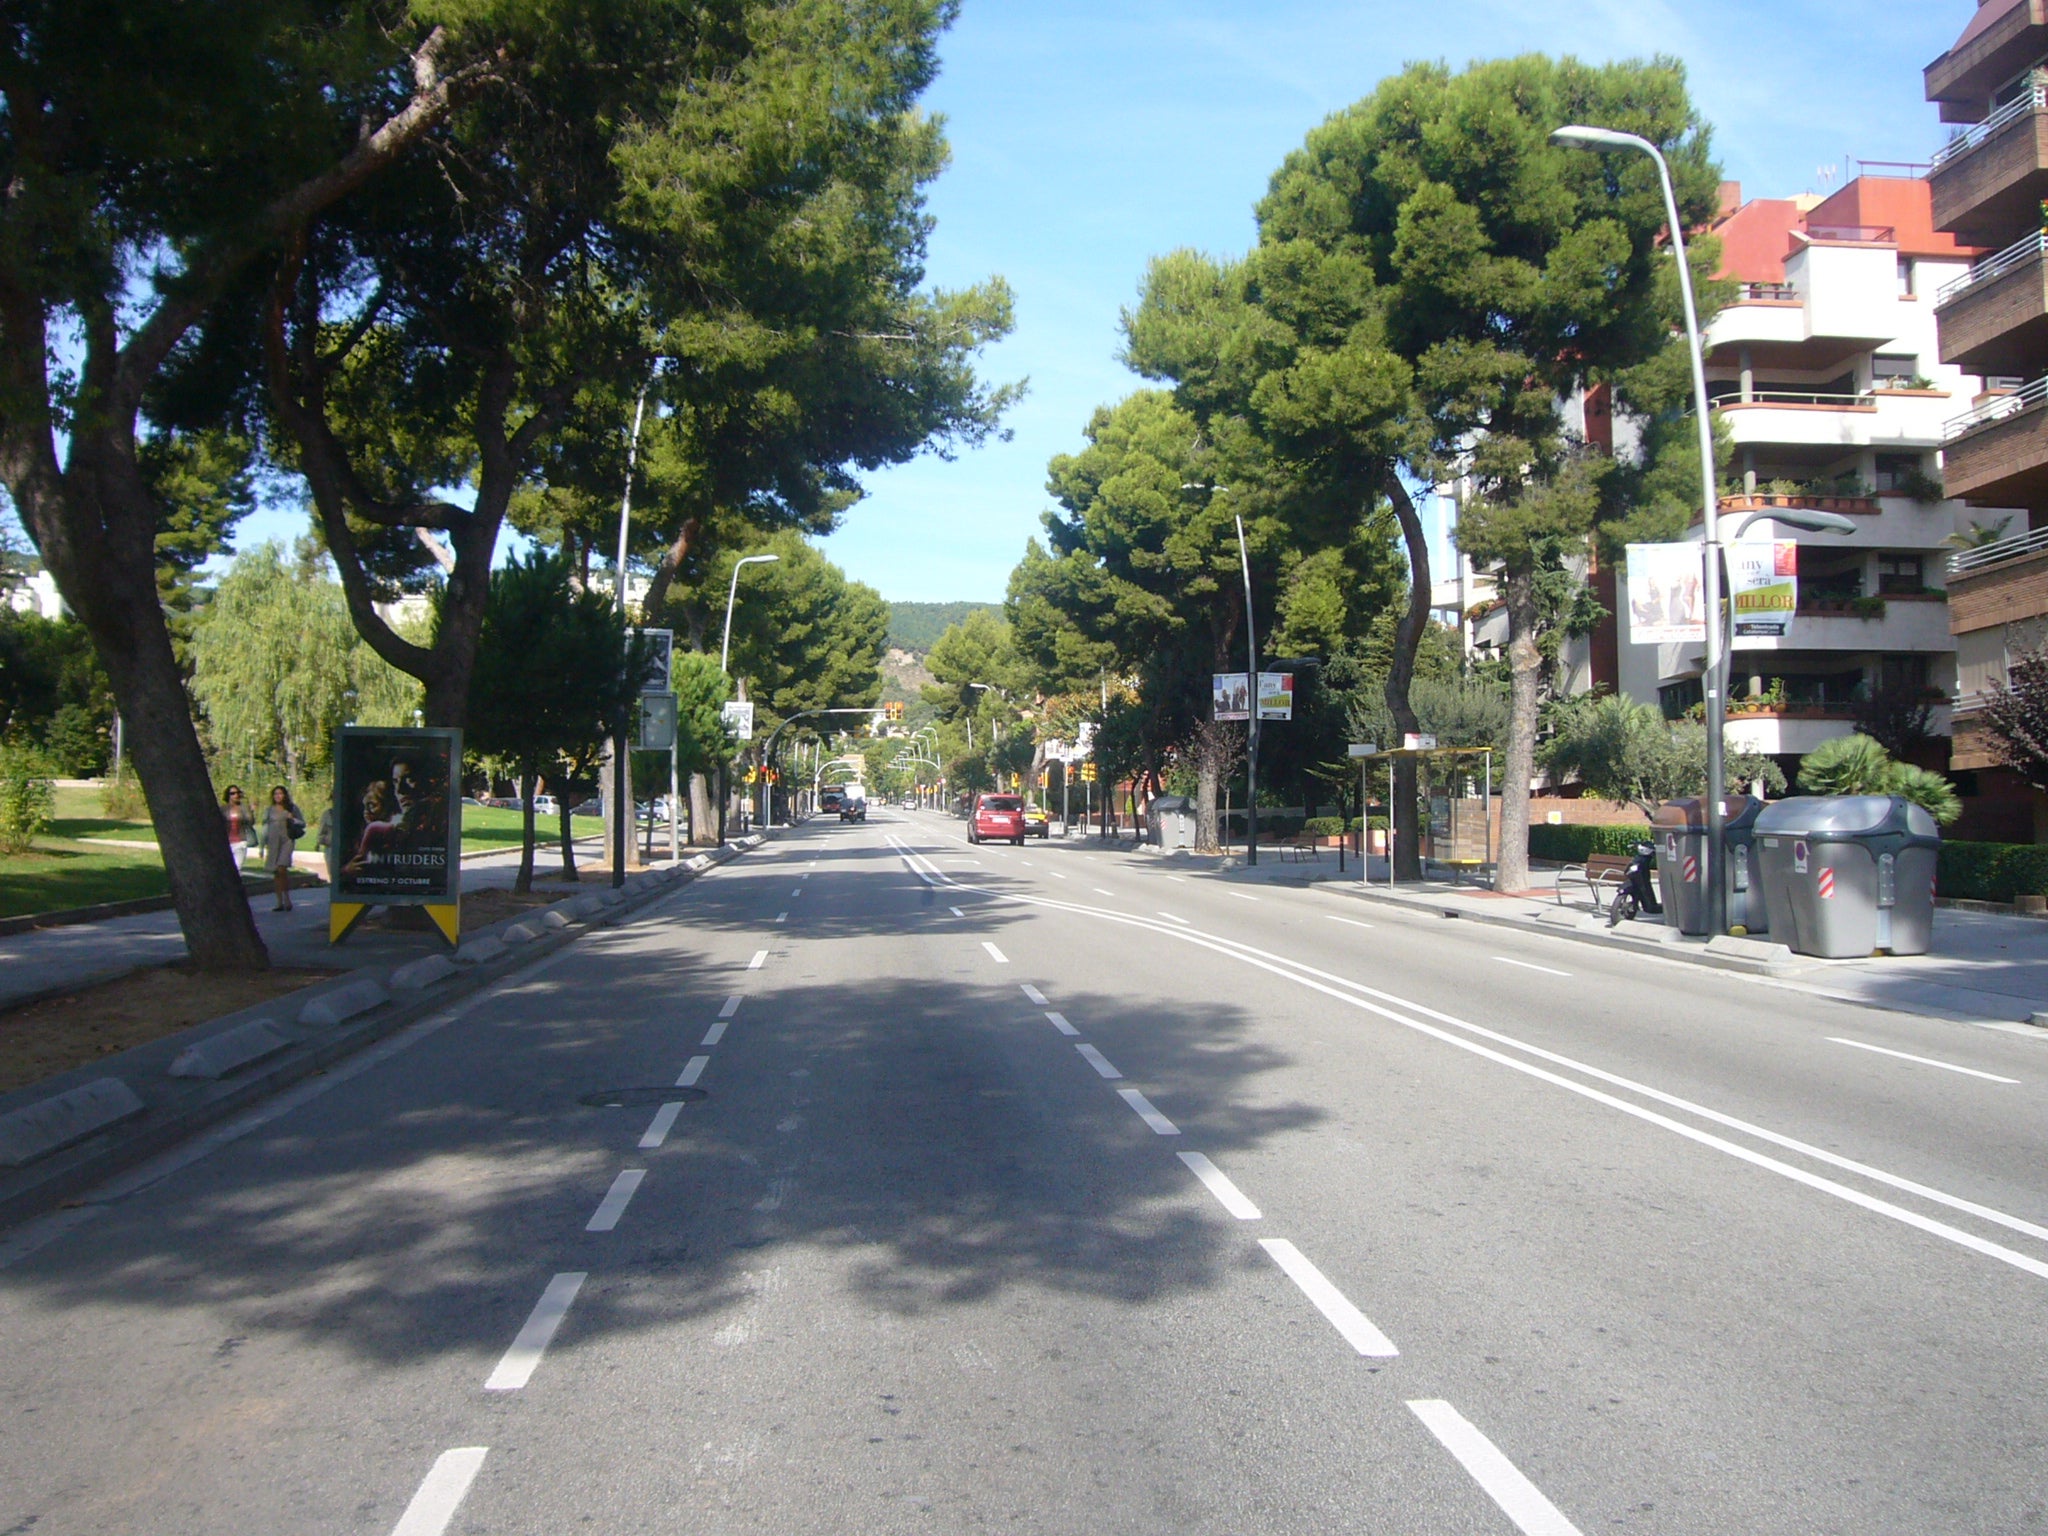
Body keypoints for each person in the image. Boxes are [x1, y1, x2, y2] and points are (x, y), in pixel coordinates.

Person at [262, 785, 305, 911]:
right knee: (276, 872)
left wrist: (293, 819)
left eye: (280, 793)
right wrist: (261, 845)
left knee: (282, 869)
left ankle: (287, 898)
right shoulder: (269, 810)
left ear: (285, 795)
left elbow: (302, 823)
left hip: (287, 841)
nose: (278, 796)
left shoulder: (292, 808)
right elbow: (265, 828)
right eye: (275, 794)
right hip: (273, 842)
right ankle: (279, 902)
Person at [222, 786, 252, 866]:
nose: (236, 795)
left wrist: (249, 810)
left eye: (238, 793)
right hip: (227, 842)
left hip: (240, 842)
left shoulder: (243, 808)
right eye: (232, 793)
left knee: (237, 867)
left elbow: (250, 822)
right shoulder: (223, 809)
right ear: (228, 795)